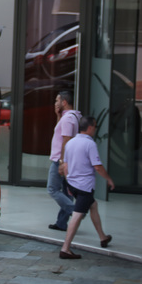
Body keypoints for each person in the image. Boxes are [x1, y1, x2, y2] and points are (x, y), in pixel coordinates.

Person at [59, 116, 115, 259]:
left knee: (93, 205)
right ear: (90, 128)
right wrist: (109, 179)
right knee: (77, 215)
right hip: (85, 186)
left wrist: (69, 183)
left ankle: (103, 237)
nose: (95, 130)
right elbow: (97, 166)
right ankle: (65, 248)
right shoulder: (90, 144)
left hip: (74, 184)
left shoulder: (70, 143)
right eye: (95, 127)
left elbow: (65, 166)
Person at [47, 90, 81, 232]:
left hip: (60, 160)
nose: (55, 103)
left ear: (64, 102)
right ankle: (61, 223)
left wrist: (61, 162)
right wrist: (57, 116)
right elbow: (60, 133)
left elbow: (66, 140)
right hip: (68, 159)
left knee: (52, 189)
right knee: (67, 193)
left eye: (57, 100)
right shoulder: (71, 117)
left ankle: (75, 211)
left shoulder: (68, 119)